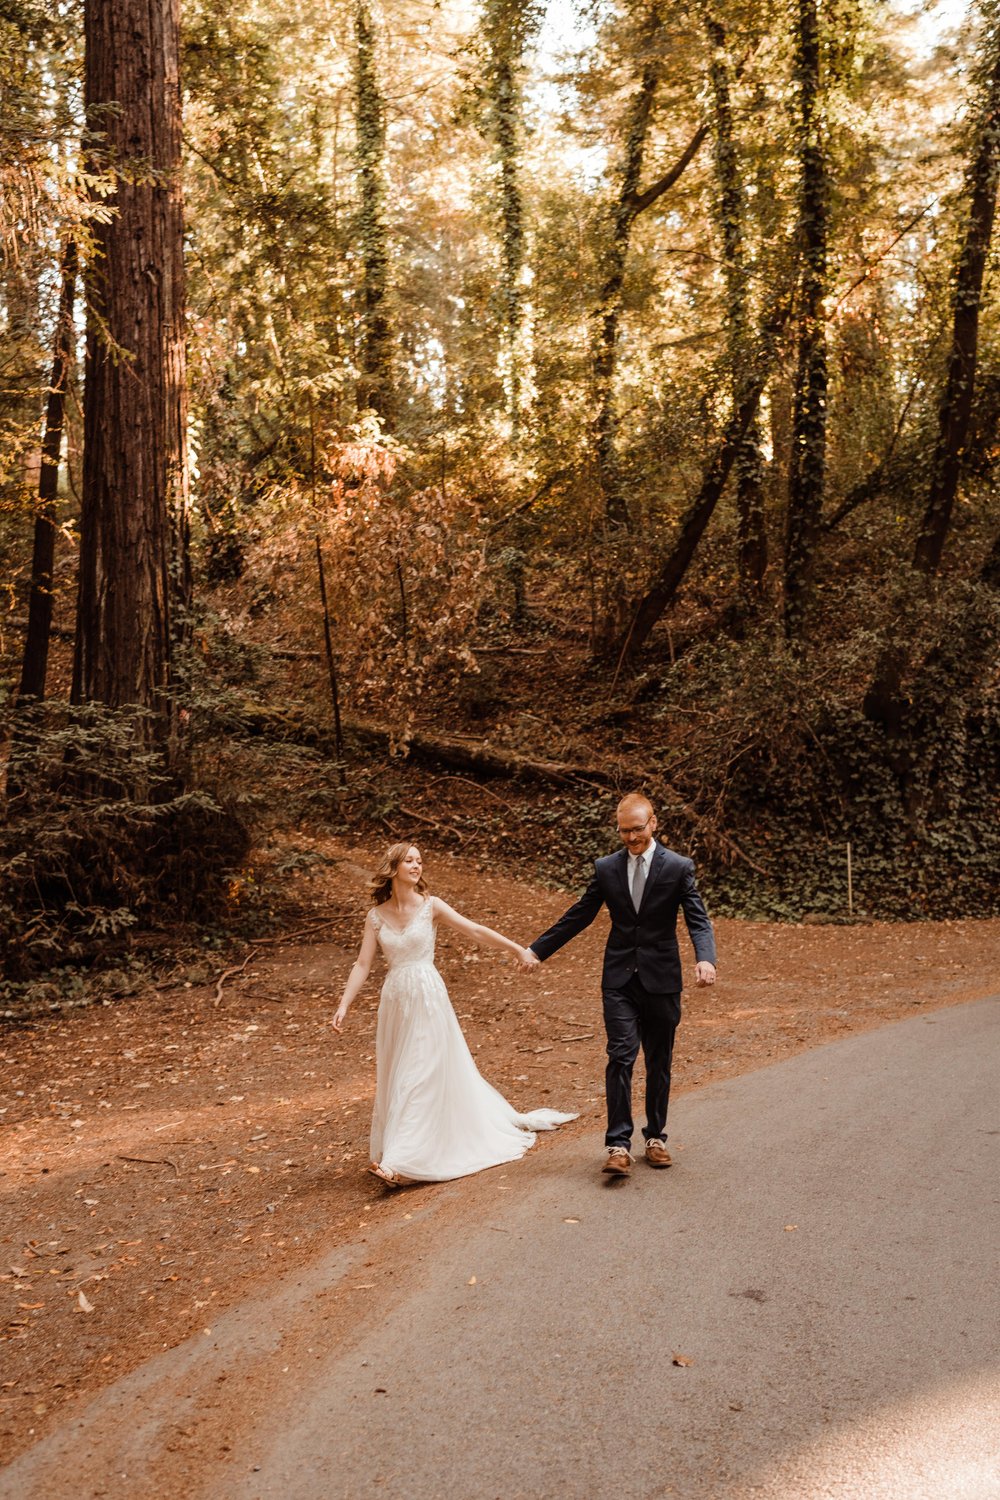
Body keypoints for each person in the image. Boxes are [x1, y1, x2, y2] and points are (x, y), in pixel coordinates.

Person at [332, 841, 576, 1187]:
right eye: (410, 861)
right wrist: (344, 1005)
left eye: (420, 860)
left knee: (419, 1072)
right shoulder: (375, 916)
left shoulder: (431, 907)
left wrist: (517, 949)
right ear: (394, 868)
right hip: (396, 1003)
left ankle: (398, 1162)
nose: (417, 866)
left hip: (428, 996)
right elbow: (362, 964)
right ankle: (410, 1149)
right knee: (400, 1073)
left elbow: (474, 930)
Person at [522, 793, 716, 1178]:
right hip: (619, 980)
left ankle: (656, 1137)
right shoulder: (606, 868)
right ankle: (618, 1145)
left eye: (637, 829)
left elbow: (698, 919)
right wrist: (537, 950)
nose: (630, 838)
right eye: (624, 831)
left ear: (653, 823)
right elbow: (579, 915)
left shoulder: (678, 867)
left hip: (662, 980)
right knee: (621, 1056)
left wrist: (705, 958)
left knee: (659, 1061)